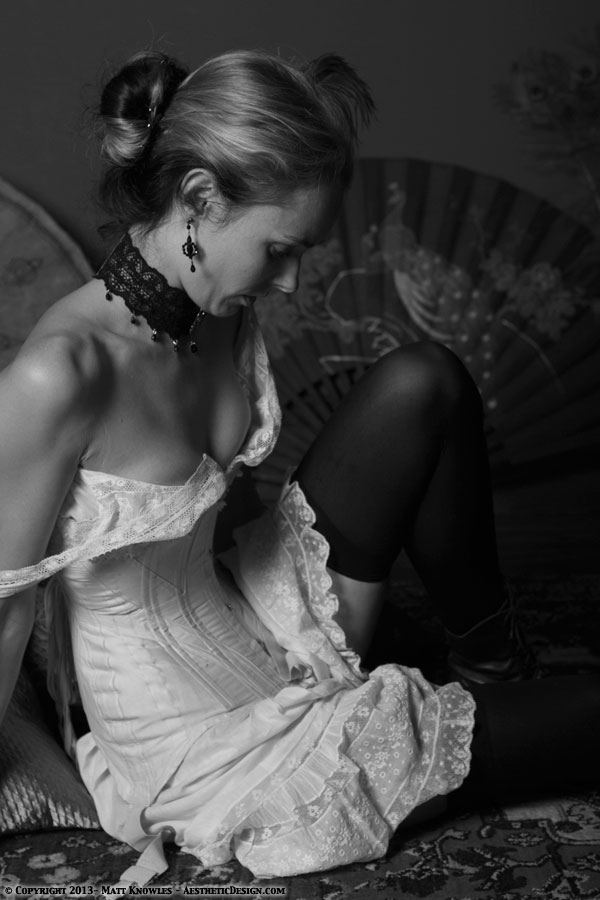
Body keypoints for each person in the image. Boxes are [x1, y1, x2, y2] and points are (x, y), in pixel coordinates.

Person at [0, 49, 598, 882]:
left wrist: (305, 637)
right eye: (279, 250)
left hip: (258, 625)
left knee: (423, 382)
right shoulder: (58, 375)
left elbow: (227, 508)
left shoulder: (214, 309)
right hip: (195, 743)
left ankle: (493, 666)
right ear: (199, 200)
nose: (289, 282)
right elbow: (5, 614)